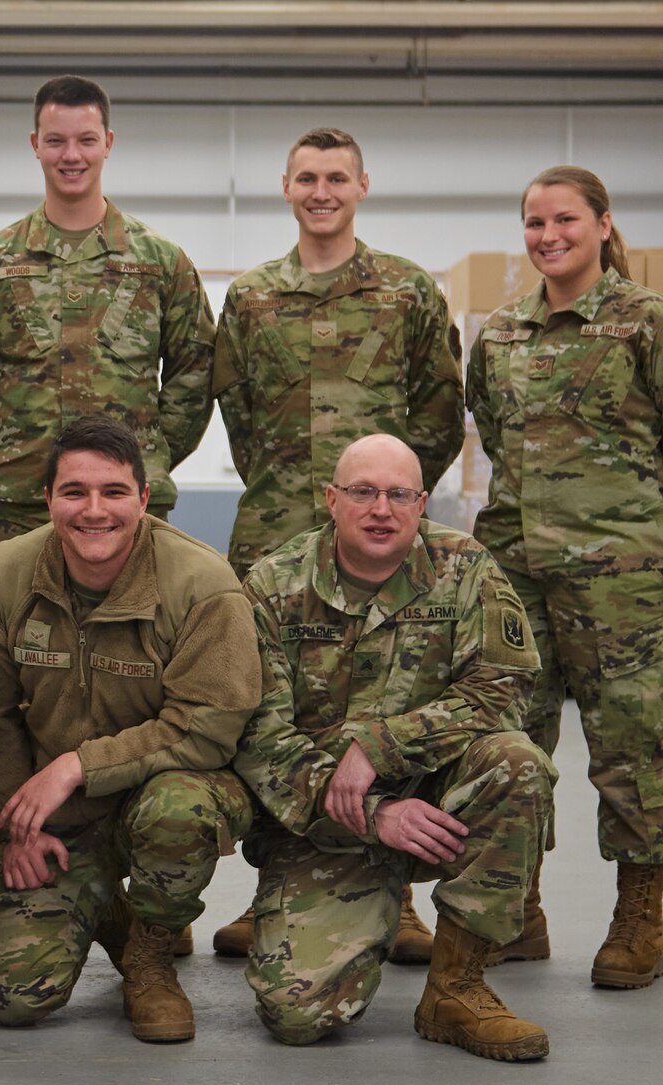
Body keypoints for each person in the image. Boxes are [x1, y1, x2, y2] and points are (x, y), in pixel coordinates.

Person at [466, 166, 663, 990]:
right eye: (535, 223)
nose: (550, 237)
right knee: (514, 744)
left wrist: (640, 523)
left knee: (628, 750)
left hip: (620, 582)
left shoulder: (654, 325)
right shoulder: (502, 333)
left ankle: (638, 918)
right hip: (518, 577)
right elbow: (488, 427)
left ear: (604, 224)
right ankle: (518, 910)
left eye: (566, 221)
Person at [208, 126, 464, 961]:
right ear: (286, 187)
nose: (322, 191)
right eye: (307, 178)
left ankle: (399, 888)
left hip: (384, 532)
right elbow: (237, 413)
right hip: (280, 528)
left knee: (387, 700)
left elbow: (437, 414)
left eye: (337, 178)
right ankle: (273, 881)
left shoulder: (407, 292)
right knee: (273, 710)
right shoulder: (249, 298)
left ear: (362, 186)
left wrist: (384, 495)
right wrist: (293, 492)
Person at [234, 434, 554, 1061]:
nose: (381, 508)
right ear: (331, 499)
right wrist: (372, 810)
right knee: (298, 1015)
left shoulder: (465, 568)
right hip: (329, 822)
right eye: (362, 492)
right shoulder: (274, 586)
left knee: (515, 764)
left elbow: (503, 686)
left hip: (437, 802)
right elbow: (255, 735)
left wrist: (381, 747)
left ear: (421, 501)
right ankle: (356, 915)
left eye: (398, 494)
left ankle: (456, 989)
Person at [0, 416, 257, 1043]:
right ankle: (107, 906)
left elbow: (209, 726)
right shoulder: (2, 577)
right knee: (13, 998)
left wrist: (77, 765)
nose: (94, 511)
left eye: (114, 492)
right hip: (59, 818)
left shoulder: (203, 586)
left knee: (179, 809)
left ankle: (148, 961)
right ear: (48, 500)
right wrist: (17, 826)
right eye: (74, 492)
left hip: (164, 798)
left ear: (145, 500)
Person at [0, 74, 216, 585]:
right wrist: (11, 449)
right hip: (17, 506)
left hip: (126, 512)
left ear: (107, 143)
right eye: (57, 140)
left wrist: (143, 453)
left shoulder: (160, 263)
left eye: (86, 140)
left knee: (139, 646)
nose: (72, 155)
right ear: (35, 146)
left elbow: (195, 372)